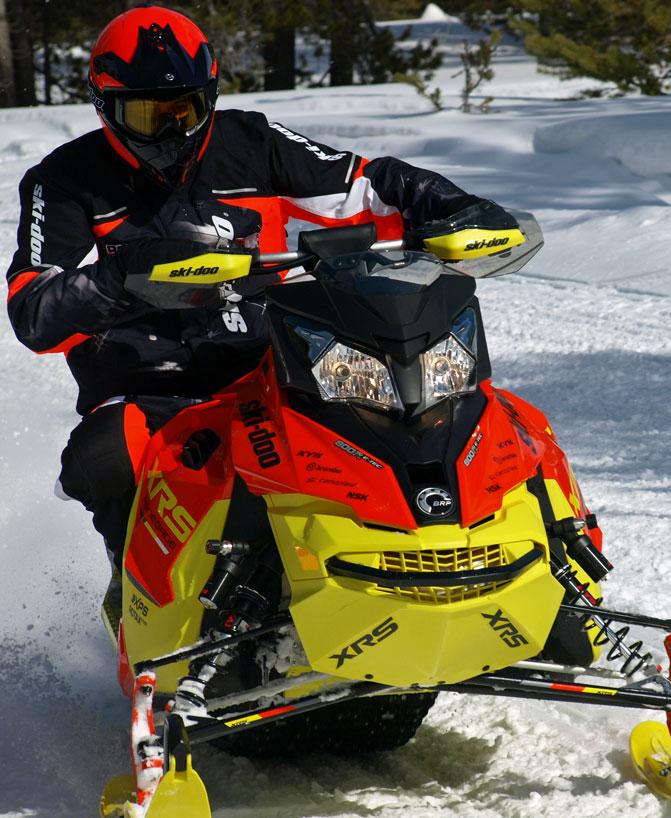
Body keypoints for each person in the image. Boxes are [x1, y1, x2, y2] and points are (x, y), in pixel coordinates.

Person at [4, 6, 513, 588]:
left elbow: (362, 182)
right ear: (106, 107)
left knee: (444, 405)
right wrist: (120, 280)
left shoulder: (251, 140)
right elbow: (32, 310)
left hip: (275, 364)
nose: (172, 130)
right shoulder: (64, 179)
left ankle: (534, 563)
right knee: (105, 454)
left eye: (186, 110)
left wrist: (446, 203)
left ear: (210, 96)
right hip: (150, 385)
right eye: (149, 115)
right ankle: (144, 603)